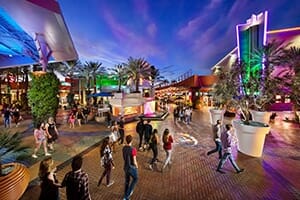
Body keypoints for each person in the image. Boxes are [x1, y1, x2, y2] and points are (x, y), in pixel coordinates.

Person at [122, 135, 138, 200]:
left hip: (125, 167)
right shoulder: (133, 150)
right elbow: (134, 161)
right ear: (131, 140)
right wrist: (136, 166)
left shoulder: (123, 148)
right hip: (131, 167)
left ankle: (126, 195)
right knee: (135, 179)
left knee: (127, 181)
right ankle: (127, 195)